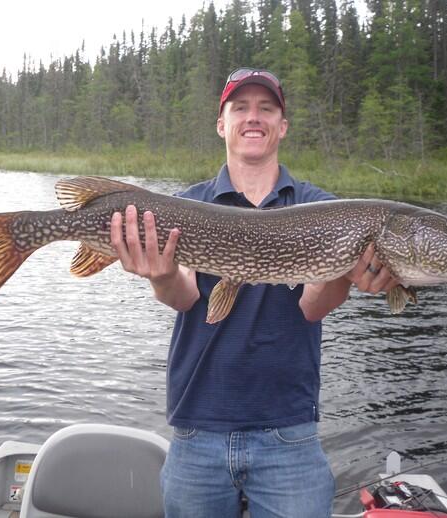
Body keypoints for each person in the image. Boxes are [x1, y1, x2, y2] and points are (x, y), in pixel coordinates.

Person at [109, 68, 399, 518]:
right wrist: (158, 274)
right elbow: (185, 297)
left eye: (267, 109)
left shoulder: (321, 209)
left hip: (289, 434)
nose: (253, 117)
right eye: (240, 108)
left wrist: (345, 273)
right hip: (196, 430)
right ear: (222, 124)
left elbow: (310, 306)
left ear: (282, 126)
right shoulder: (188, 206)